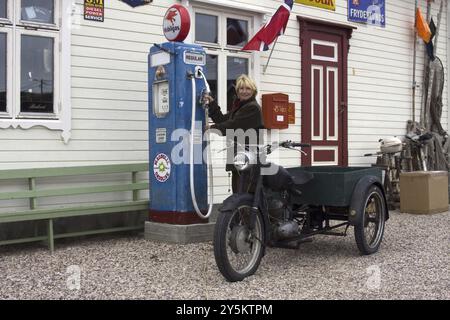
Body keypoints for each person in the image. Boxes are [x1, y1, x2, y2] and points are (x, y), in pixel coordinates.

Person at [203, 74, 264, 193]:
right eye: (241, 88)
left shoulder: (253, 108)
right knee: (237, 194)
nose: (244, 91)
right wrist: (212, 104)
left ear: (253, 91)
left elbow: (234, 125)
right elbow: (223, 120)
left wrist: (212, 128)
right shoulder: (239, 108)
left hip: (247, 157)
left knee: (244, 196)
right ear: (237, 91)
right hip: (238, 156)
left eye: (248, 88)